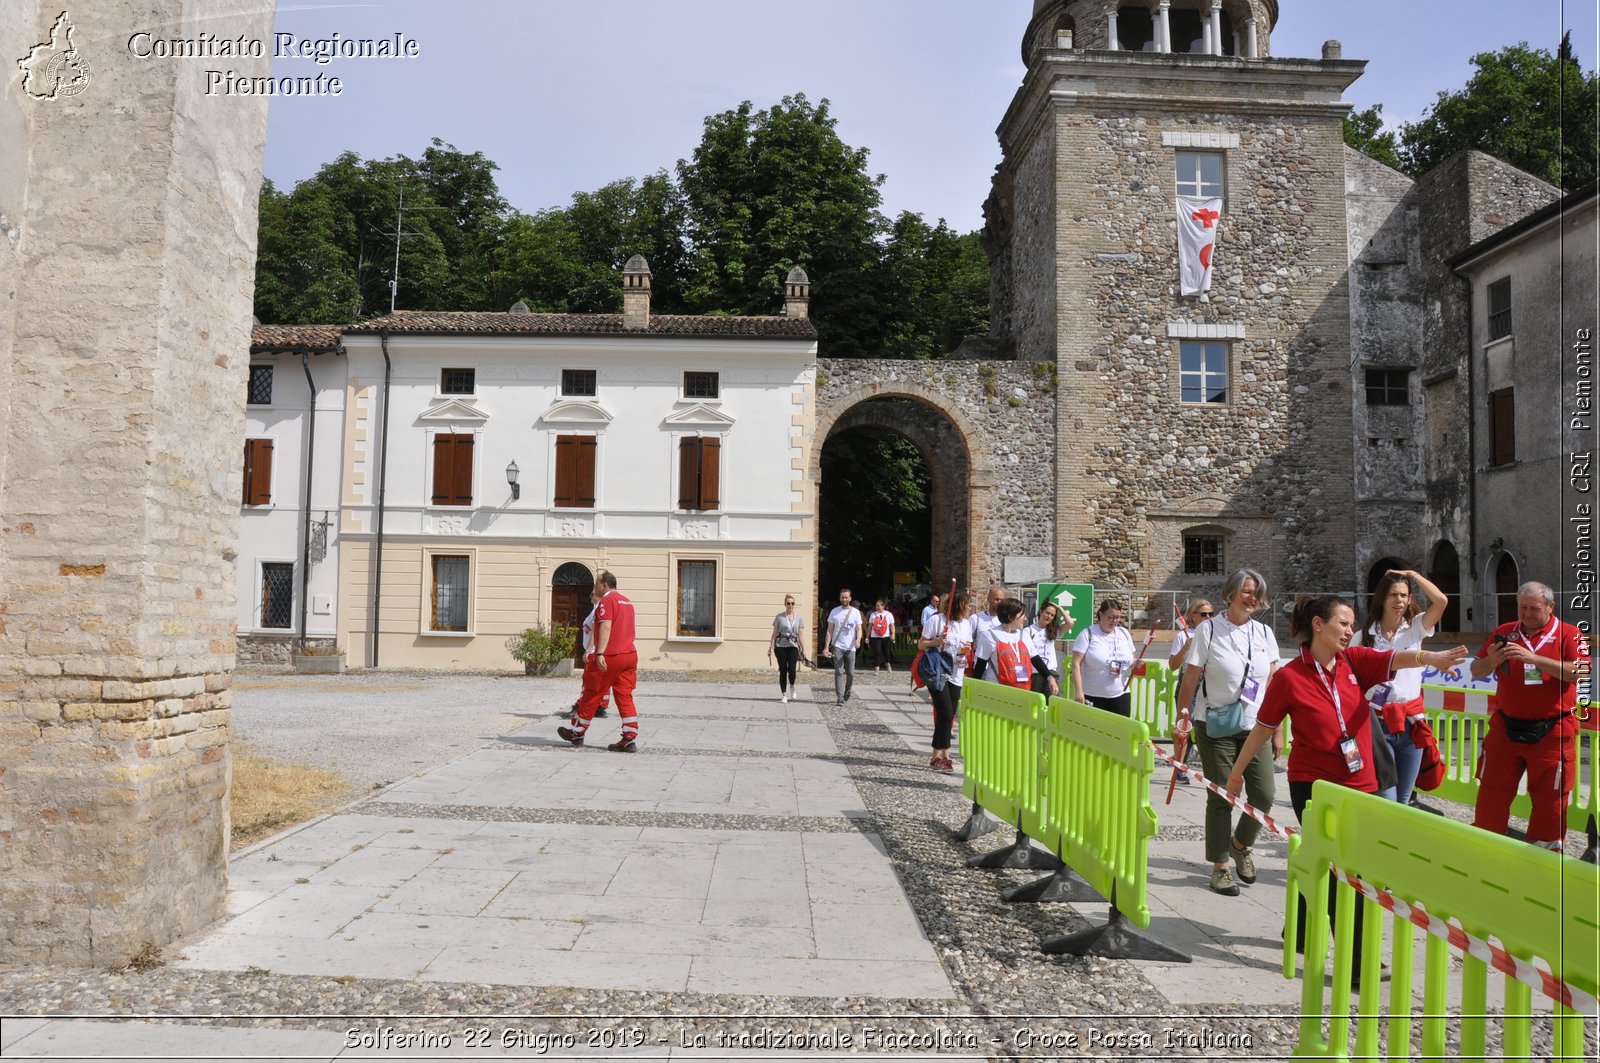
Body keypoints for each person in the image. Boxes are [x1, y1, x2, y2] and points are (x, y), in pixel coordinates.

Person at [1227, 595, 1466, 967]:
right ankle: (1357, 959)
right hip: (1314, 786)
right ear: (1319, 625)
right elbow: (1263, 728)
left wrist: (1428, 658)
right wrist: (1237, 772)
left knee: (1327, 859)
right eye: (1342, 623)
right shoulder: (1289, 677)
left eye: (1352, 624)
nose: (1349, 630)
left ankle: (1301, 931)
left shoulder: (1354, 661)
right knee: (1345, 869)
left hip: (1361, 782)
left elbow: (1396, 659)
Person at [1175, 572, 1280, 895]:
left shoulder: (1264, 632)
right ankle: (1220, 866)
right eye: (1246, 592)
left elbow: (1274, 684)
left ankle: (1240, 844)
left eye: (1256, 594)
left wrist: (1276, 730)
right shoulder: (1209, 630)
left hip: (1255, 726)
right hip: (1215, 723)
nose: (1252, 598)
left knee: (1264, 795)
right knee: (1222, 794)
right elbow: (1191, 678)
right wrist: (1183, 719)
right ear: (1231, 593)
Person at [1470, 581, 1590, 851]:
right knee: (1491, 792)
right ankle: (1486, 851)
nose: (1525, 614)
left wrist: (1535, 660)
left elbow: (1581, 672)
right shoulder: (1504, 632)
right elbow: (1477, 671)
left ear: (1550, 607)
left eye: (1533, 609)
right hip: (1506, 726)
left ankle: (1544, 860)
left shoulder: (1570, 634)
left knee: (1551, 800)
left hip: (1553, 729)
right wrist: (1491, 660)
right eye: (1521, 608)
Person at [1351, 568, 1450, 807]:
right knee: (1386, 797)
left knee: (1404, 799)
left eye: (1404, 595)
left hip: (1410, 724)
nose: (1400, 601)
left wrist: (1412, 575)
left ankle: (1393, 844)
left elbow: (1441, 601)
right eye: (1394, 595)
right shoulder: (1363, 637)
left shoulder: (1415, 628)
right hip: (1376, 724)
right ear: (1382, 598)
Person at [557, 570, 640, 752]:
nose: (594, 587)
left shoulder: (606, 601)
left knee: (592, 693)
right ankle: (629, 737)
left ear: (604, 585)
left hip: (612, 655)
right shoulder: (627, 601)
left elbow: (606, 626)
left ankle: (577, 732)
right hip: (630, 654)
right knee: (624, 696)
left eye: (596, 584)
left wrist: (600, 653)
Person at [921, 589, 974, 771]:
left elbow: (966, 644)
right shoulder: (936, 620)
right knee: (945, 712)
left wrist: (966, 649)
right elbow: (921, 644)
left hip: (957, 673)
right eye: (967, 605)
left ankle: (939, 755)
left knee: (949, 715)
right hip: (938, 672)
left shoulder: (965, 624)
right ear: (959, 606)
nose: (969, 607)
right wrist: (937, 641)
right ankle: (942, 755)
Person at [1166, 599, 1213, 785]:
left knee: (1208, 727)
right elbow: (1172, 665)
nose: (1208, 617)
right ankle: (1180, 767)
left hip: (1209, 684)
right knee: (1185, 726)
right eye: (1203, 614)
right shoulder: (1184, 636)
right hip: (1189, 683)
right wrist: (1187, 647)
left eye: (1211, 614)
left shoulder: (1214, 634)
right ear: (1193, 616)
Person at [1071, 597, 1137, 716]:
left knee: (1120, 732)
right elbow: (1076, 664)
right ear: (1101, 615)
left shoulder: (1124, 633)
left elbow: (1132, 660)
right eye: (1111, 617)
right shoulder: (1087, 634)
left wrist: (1136, 664)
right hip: (1093, 695)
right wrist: (1079, 691)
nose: (1114, 621)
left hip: (1121, 694)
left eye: (1117, 617)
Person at [559, 591, 611, 721]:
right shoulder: (597, 608)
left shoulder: (599, 609)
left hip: (594, 651)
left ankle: (580, 707)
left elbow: (596, 631)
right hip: (597, 650)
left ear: (598, 595)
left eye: (592, 594)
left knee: (588, 681)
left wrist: (588, 650)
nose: (590, 596)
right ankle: (600, 707)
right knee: (600, 681)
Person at [821, 587, 864, 706]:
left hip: (851, 647)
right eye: (842, 597)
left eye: (846, 597)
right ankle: (839, 697)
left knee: (850, 673)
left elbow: (859, 629)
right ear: (840, 598)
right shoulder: (834, 612)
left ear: (850, 598)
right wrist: (826, 647)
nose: (844, 599)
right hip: (837, 646)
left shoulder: (855, 612)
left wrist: (858, 640)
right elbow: (829, 630)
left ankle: (848, 689)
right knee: (839, 672)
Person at [974, 598, 1031, 687]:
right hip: (996, 688)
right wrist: (974, 687)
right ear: (1010, 617)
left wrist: (1049, 677)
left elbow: (1036, 659)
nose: (1025, 618)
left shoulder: (1024, 635)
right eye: (1022, 614)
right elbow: (980, 665)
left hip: (1020, 688)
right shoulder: (989, 635)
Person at [768, 594, 807, 704]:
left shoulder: (799, 618)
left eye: (792, 603)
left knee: (792, 670)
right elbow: (774, 634)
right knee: (783, 670)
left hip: (793, 646)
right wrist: (771, 647)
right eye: (788, 603)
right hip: (780, 646)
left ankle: (792, 685)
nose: (790, 605)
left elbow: (801, 635)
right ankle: (784, 695)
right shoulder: (779, 617)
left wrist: (804, 649)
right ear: (785, 604)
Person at [1024, 601, 1064, 697]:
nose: (1049, 616)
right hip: (1034, 673)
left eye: (1052, 615)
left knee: (1053, 702)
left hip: (1050, 671)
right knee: (1036, 703)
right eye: (1047, 613)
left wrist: (1059, 607)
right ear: (1041, 611)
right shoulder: (1028, 631)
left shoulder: (1052, 631)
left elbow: (1070, 623)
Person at [969, 585, 1007, 680]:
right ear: (989, 599)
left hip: (1001, 669)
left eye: (1002, 600)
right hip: (981, 668)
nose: (999, 602)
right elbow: (967, 641)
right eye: (996, 599)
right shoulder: (976, 619)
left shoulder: (1007, 621)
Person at [868, 599, 897, 672]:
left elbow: (892, 625)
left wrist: (893, 634)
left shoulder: (889, 614)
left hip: (885, 636)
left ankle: (887, 663)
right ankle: (877, 668)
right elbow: (870, 626)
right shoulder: (873, 614)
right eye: (876, 606)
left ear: (883, 606)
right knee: (877, 652)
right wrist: (867, 636)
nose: (877, 607)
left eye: (879, 606)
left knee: (886, 652)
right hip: (875, 636)